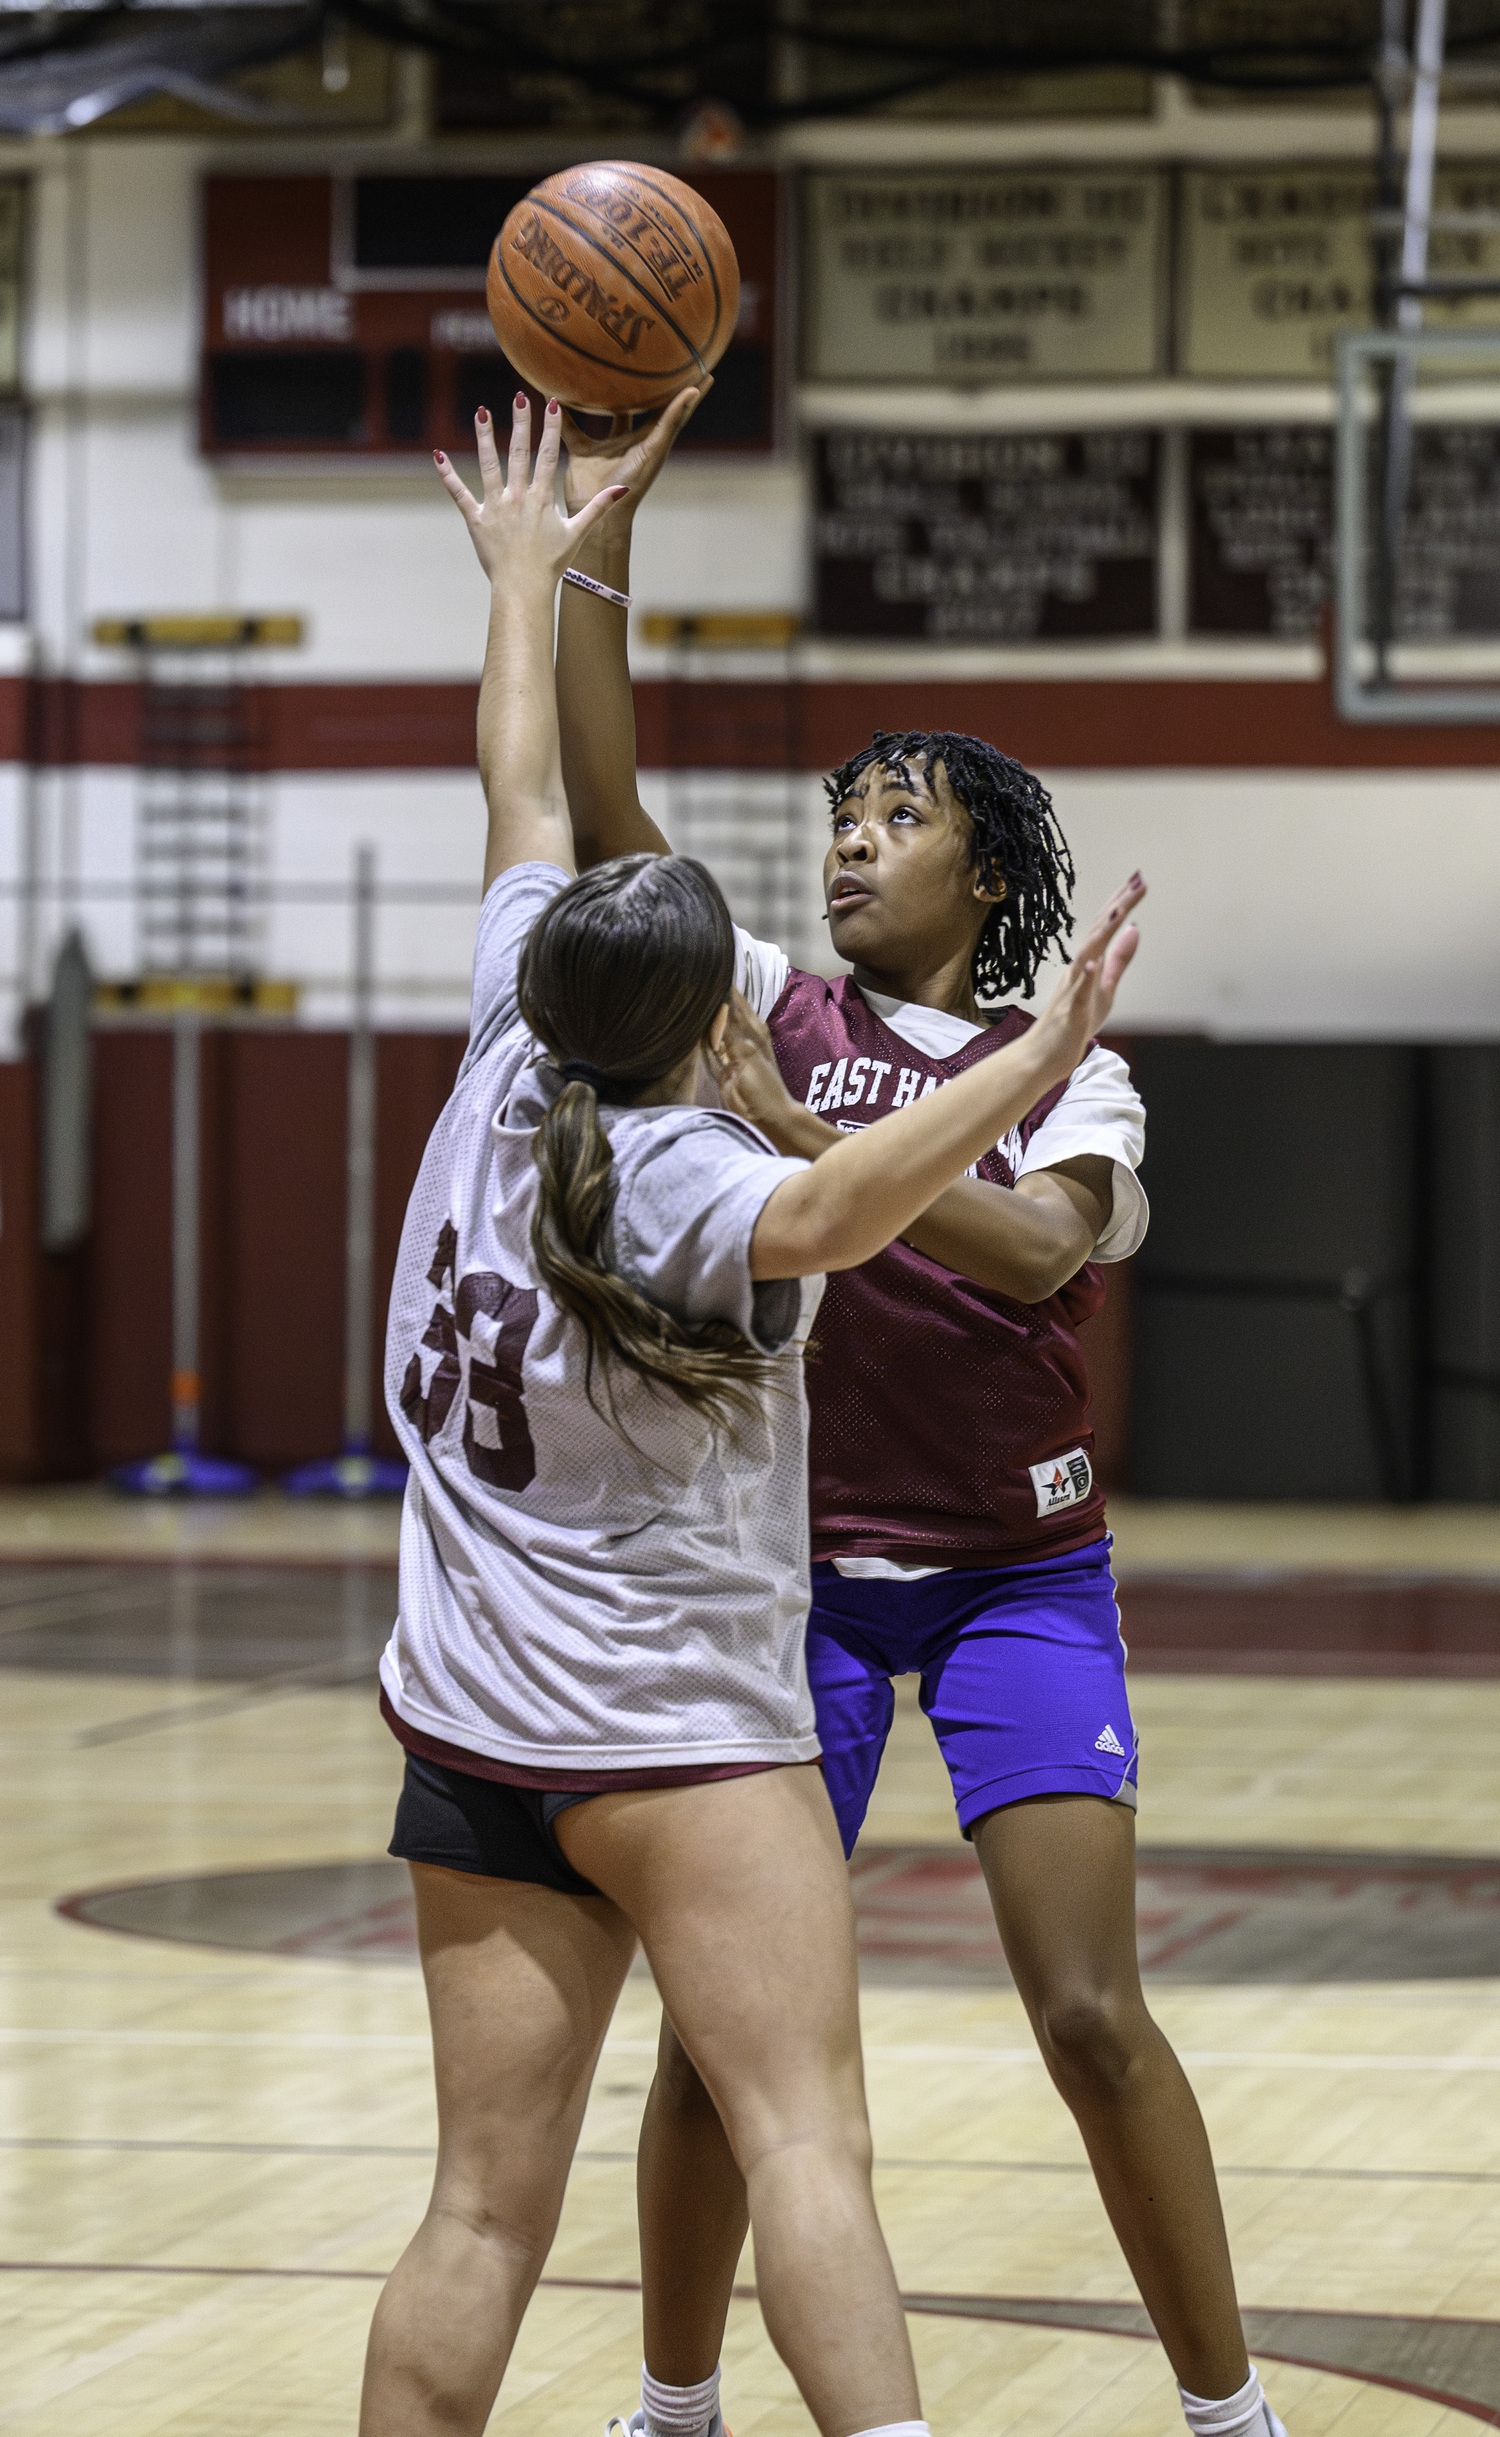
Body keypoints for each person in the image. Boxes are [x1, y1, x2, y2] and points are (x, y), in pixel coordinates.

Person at [358, 388, 1142, 2437]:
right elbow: (862, 1198)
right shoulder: (703, 1182)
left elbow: (525, 789)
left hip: (466, 1734)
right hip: (678, 1742)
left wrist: (532, 570)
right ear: (709, 1018)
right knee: (808, 2146)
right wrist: (1037, 1047)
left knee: (474, 2215)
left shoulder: (494, 1064)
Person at [552, 402, 1287, 2437]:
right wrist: (598, 550)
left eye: (896, 815)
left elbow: (1048, 1256)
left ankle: (1233, 2415)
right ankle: (675, 2405)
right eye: (841, 810)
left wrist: (820, 1150)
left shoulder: (1069, 1069)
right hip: (790, 1583)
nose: (849, 837)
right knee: (723, 2041)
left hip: (1015, 1579)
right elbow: (612, 806)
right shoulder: (771, 997)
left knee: (1087, 2015)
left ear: (988, 865)